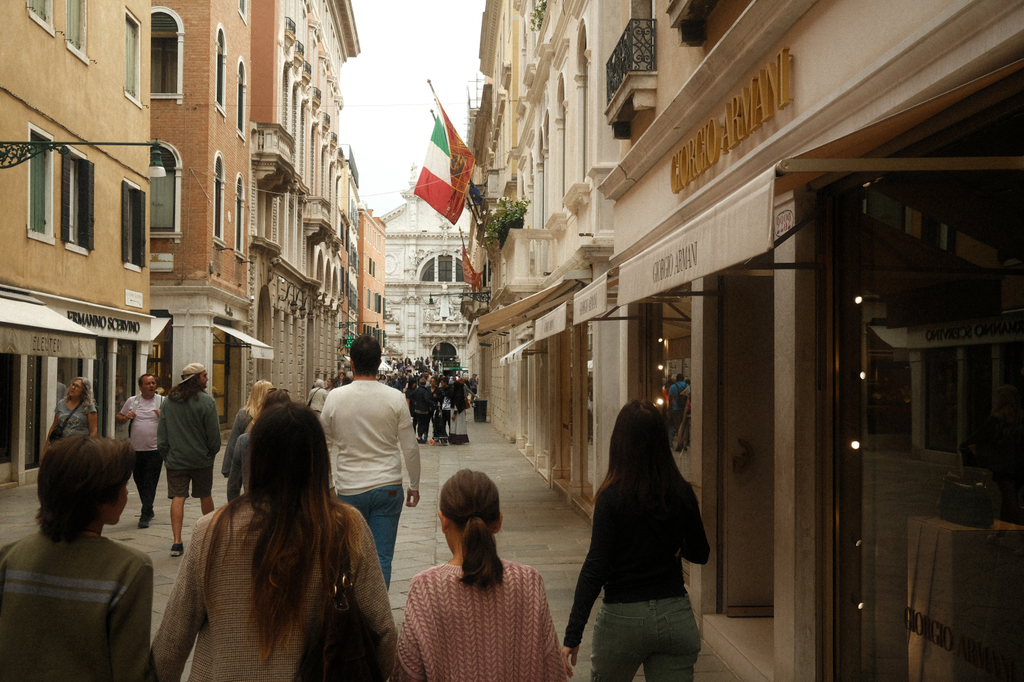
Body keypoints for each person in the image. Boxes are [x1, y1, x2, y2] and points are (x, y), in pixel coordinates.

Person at [152, 402, 397, 681]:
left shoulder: (210, 530)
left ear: (257, 457)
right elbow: (384, 632)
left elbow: (171, 643)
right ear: (318, 459)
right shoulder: (346, 527)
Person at [562, 400, 710, 681]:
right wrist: (677, 546)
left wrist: (573, 633)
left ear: (620, 443)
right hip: (674, 615)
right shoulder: (681, 492)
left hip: (622, 619)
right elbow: (701, 553)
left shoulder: (611, 497)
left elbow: (595, 568)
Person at [0, 436, 155, 682]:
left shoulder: (8, 557)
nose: (126, 493)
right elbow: (131, 670)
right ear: (102, 498)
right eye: (123, 485)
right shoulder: (129, 569)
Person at [393, 470, 565, 682]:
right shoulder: (529, 582)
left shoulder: (425, 588)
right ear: (498, 522)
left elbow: (407, 672)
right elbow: (553, 671)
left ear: (444, 521)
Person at [320, 335, 421, 589]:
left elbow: (322, 446)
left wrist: (329, 486)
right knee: (382, 559)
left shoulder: (334, 397)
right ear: (379, 363)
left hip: (348, 489)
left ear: (351, 363)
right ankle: (378, 619)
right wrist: (414, 484)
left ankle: (353, 617)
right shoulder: (395, 398)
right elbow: (410, 446)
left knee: (349, 558)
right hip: (387, 486)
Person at [157, 363, 221, 558]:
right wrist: (210, 453)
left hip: (176, 459)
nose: (207, 379)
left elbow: (162, 433)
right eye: (204, 375)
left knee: (178, 497)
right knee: (205, 495)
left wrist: (166, 454)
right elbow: (214, 436)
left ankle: (177, 542)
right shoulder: (207, 402)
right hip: (201, 459)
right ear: (196, 379)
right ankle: (209, 537)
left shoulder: (168, 402)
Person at [960, 384, 1024, 551]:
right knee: (1008, 500)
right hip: (1020, 466)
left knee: (1011, 503)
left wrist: (968, 451)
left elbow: (976, 439)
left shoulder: (996, 419)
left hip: (1004, 467)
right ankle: (999, 536)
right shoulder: (1020, 418)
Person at [116, 373, 166, 528]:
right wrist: (125, 418)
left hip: (155, 450)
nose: (151, 386)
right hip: (136, 449)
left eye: (153, 383)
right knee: (139, 480)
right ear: (140, 387)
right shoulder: (133, 401)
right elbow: (119, 417)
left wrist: (163, 415)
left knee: (151, 481)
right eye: (148, 383)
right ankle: (148, 508)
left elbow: (175, 420)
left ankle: (145, 514)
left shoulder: (163, 401)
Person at [230, 388, 293, 498]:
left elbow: (233, 485)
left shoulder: (245, 441)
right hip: (291, 508)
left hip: (255, 506)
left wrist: (234, 511)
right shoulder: (299, 439)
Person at [223, 380, 273, 502]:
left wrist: (227, 468)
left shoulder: (244, 414)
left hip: (247, 464)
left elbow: (233, 442)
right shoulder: (273, 414)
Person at [42, 376, 97, 455]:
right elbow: (54, 426)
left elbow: (93, 431)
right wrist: (46, 449)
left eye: (77, 386)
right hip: (62, 446)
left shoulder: (88, 406)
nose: (73, 388)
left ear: (83, 391)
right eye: (73, 385)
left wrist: (91, 450)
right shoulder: (61, 404)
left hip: (80, 448)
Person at [408, 378, 435, 444]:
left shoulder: (417, 390)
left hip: (417, 410)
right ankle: (419, 436)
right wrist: (433, 404)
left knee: (419, 423)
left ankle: (418, 436)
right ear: (425, 383)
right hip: (424, 410)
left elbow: (410, 395)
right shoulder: (425, 391)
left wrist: (415, 402)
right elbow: (427, 399)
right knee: (423, 424)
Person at [449, 378, 471, 445]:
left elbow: (457, 404)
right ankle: (458, 439)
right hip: (460, 412)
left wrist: (454, 414)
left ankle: (455, 439)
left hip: (457, 412)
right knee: (458, 426)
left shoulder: (457, 395)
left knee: (457, 426)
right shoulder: (460, 394)